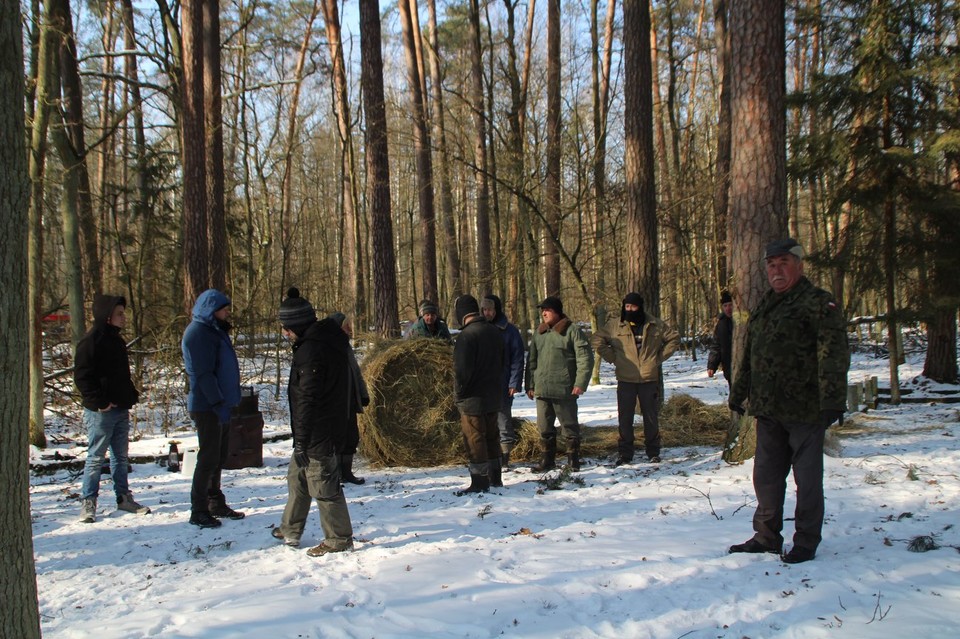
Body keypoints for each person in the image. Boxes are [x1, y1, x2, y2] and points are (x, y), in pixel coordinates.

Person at [728, 238, 849, 564]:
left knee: (807, 478)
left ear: (798, 265)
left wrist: (833, 400)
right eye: (771, 265)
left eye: (783, 263)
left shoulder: (817, 303)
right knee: (766, 477)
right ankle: (767, 537)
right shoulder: (766, 305)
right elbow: (751, 357)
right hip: (768, 408)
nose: (776, 270)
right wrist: (738, 394)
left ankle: (806, 542)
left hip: (806, 408)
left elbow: (833, 355)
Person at [271, 288, 354, 556]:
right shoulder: (323, 340)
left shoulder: (312, 350)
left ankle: (338, 538)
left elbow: (308, 397)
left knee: (323, 484)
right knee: (297, 478)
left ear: (295, 326)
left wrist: (303, 439)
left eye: (286, 328)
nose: (285, 333)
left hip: (320, 430)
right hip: (315, 428)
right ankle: (289, 528)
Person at [75, 294, 150, 523]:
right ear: (107, 316)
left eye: (123, 313)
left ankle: (123, 498)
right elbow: (82, 377)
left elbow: (120, 376)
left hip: (120, 409)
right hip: (100, 413)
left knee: (120, 457)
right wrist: (100, 402)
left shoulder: (117, 341)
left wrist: (130, 395)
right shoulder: (90, 341)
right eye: (119, 314)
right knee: (96, 458)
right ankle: (89, 503)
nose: (123, 318)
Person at [181, 289, 245, 528]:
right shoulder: (197, 334)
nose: (228, 312)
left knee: (217, 457)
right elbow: (202, 373)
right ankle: (198, 509)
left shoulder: (214, 330)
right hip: (207, 405)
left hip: (221, 404)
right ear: (211, 309)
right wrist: (217, 401)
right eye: (224, 308)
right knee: (207, 458)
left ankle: (214, 501)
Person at [591, 293, 680, 465]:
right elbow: (597, 340)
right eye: (627, 307)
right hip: (626, 378)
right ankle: (625, 453)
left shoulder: (654, 324)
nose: (630, 310)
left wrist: (658, 358)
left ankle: (653, 451)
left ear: (640, 307)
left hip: (648, 378)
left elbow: (674, 338)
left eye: (633, 307)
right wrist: (614, 358)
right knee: (625, 418)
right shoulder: (616, 325)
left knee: (651, 417)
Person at [525, 296, 594, 472]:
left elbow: (585, 358)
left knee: (569, 427)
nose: (544, 313)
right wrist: (530, 385)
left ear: (556, 311)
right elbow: (531, 361)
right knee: (544, 428)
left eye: (547, 310)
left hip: (564, 388)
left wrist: (580, 383)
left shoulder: (572, 331)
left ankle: (573, 460)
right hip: (542, 389)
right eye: (542, 310)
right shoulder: (539, 333)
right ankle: (547, 460)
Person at [452, 295, 504, 493]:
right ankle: (496, 477)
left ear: (462, 314)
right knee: (492, 437)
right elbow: (502, 362)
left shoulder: (466, 336)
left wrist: (459, 395)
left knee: (475, 439)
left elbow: (461, 371)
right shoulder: (495, 332)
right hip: (493, 394)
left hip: (472, 398)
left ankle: (480, 481)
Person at [480, 294, 524, 468]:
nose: (487, 313)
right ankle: (488, 456)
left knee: (503, 421)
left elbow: (517, 359)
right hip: (483, 385)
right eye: (484, 309)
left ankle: (505, 457)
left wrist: (514, 382)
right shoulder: (479, 328)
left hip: (502, 384)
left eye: (490, 309)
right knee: (483, 423)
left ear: (496, 310)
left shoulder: (509, 331)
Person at [329, 311, 368, 485]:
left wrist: (363, 394)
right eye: (346, 327)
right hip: (336, 403)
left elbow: (356, 373)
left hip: (350, 401)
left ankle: (347, 472)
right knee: (337, 438)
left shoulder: (346, 347)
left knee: (351, 437)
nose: (350, 330)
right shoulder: (329, 348)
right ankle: (336, 473)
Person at [707, 291, 734, 387]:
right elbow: (716, 346)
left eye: (730, 305)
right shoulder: (721, 324)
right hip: (729, 368)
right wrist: (712, 366)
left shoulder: (742, 321)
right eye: (725, 306)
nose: (728, 308)